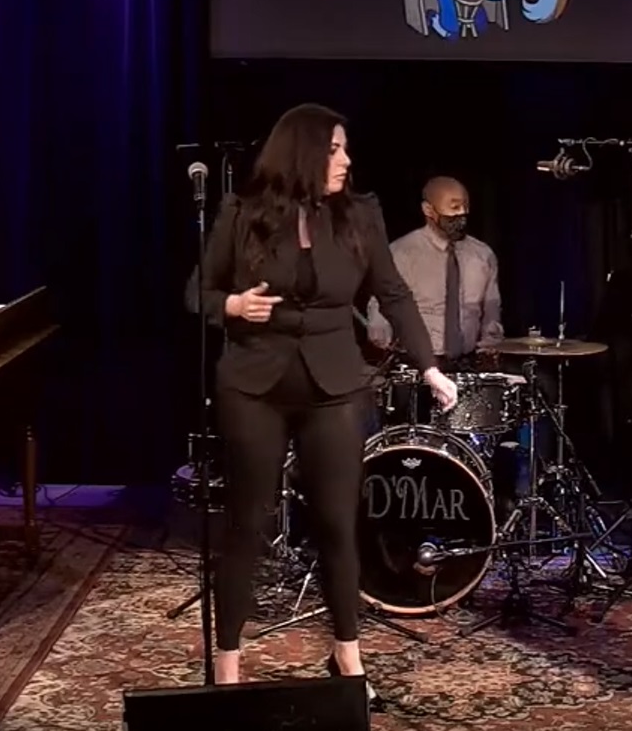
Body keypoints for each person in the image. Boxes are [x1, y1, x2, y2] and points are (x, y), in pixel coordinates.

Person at [188, 104, 457, 699]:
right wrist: (232, 306)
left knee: (337, 522)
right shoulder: (241, 212)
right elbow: (197, 292)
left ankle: (347, 659)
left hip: (334, 386)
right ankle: (228, 668)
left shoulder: (360, 214)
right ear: (303, 152)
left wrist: (429, 367)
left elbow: (393, 293)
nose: (346, 160)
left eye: (345, 148)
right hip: (255, 385)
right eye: (334, 149)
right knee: (247, 526)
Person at [365, 176, 504, 360]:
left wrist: (491, 340)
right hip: (417, 361)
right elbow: (381, 303)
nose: (462, 214)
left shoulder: (483, 255)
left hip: (468, 361)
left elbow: (491, 308)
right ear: (428, 210)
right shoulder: (402, 253)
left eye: (465, 206)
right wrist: (380, 331)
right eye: (454, 207)